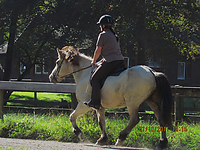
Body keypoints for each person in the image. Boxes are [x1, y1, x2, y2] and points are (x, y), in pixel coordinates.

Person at [84, 14, 125, 109]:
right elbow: (112, 52)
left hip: (111, 62)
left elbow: (98, 50)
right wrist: (102, 60)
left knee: (95, 79)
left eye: (100, 25)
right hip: (120, 61)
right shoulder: (114, 36)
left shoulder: (102, 35)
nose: (100, 27)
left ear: (103, 25)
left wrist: (93, 62)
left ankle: (95, 102)